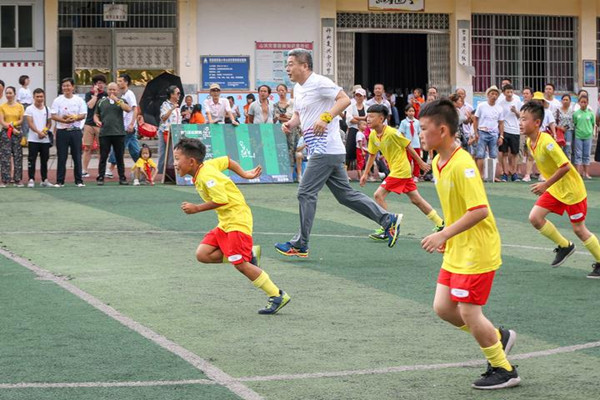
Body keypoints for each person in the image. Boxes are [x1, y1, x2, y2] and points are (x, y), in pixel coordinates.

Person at [420, 99, 520, 390]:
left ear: (442, 130)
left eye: (424, 129)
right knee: (442, 308)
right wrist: (448, 237)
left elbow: (479, 211)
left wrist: (443, 234)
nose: (421, 134)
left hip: (477, 249)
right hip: (457, 248)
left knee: (468, 312)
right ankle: (496, 337)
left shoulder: (463, 164)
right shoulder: (438, 162)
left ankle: (504, 369)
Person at [274, 48, 401, 257]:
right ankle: (388, 219)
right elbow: (299, 114)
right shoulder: (298, 88)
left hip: (325, 149)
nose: (287, 68)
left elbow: (344, 100)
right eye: (287, 64)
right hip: (326, 150)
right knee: (345, 195)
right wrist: (291, 123)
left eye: (290, 64)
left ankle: (300, 244)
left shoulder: (319, 82)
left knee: (305, 192)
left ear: (304, 66)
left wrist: (325, 118)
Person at [174, 137, 291, 314]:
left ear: (191, 161)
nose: (175, 163)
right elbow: (227, 161)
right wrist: (245, 174)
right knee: (203, 254)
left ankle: (277, 295)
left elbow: (222, 199)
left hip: (237, 220)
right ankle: (249, 253)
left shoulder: (207, 176)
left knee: (240, 264)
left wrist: (196, 208)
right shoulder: (205, 166)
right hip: (226, 222)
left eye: (177, 159)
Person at [520, 101, 600, 278]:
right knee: (535, 218)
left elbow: (564, 166)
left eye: (524, 119)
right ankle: (565, 246)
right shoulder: (528, 141)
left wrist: (545, 184)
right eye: (520, 118)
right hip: (556, 189)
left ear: (537, 123)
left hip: (572, 190)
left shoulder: (547, 141)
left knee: (579, 229)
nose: (520, 122)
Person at [360, 104, 441, 241]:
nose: (368, 119)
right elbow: (372, 154)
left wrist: (420, 162)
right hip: (397, 170)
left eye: (371, 116)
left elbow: (407, 145)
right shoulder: (373, 135)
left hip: (400, 170)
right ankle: (440, 223)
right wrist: (365, 173)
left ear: (381, 119)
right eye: (367, 116)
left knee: (378, 195)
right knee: (416, 199)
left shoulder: (392, 132)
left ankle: (388, 227)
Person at [50, 78, 87, 187]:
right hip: (62, 131)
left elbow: (83, 114)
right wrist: (64, 120)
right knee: (62, 156)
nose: (66, 88)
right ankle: (60, 181)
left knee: (77, 156)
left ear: (73, 87)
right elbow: (53, 115)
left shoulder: (79, 100)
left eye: (68, 86)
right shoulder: (58, 100)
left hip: (75, 131)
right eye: (64, 86)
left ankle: (79, 181)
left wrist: (74, 118)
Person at [93, 82, 132, 185]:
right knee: (103, 156)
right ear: (107, 90)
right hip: (105, 133)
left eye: (114, 89)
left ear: (118, 91)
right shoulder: (101, 102)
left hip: (119, 133)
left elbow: (128, 109)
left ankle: (122, 178)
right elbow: (96, 115)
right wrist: (97, 120)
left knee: (119, 157)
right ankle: (101, 177)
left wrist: (117, 100)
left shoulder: (121, 100)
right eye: (110, 89)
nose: (112, 91)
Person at [106, 73, 140, 179]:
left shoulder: (130, 94)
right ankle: (142, 165)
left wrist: (131, 124)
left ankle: (110, 168)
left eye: (120, 81)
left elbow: (135, 109)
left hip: (128, 127)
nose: (118, 83)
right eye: (118, 81)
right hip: (125, 126)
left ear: (126, 82)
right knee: (134, 149)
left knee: (118, 147)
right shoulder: (123, 95)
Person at [25, 88, 56, 188]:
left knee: (44, 160)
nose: (39, 98)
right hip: (33, 139)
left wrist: (44, 131)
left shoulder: (47, 109)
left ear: (44, 97)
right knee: (32, 159)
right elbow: (30, 123)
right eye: (37, 96)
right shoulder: (29, 109)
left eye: (41, 96)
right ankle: (31, 179)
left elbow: (49, 122)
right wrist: (38, 132)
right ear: (34, 97)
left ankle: (44, 179)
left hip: (45, 140)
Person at [471, 85, 504, 179]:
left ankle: (492, 176)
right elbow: (475, 119)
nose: (494, 96)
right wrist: (476, 132)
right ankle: (480, 175)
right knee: (480, 154)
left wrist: (501, 136)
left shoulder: (499, 108)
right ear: (488, 95)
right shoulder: (481, 106)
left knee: (493, 155)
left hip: (494, 133)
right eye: (492, 93)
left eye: (496, 94)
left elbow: (501, 123)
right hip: (482, 131)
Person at [82, 74, 107, 178]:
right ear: (94, 85)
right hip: (89, 123)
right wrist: (95, 95)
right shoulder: (89, 94)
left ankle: (101, 170)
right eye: (98, 83)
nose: (100, 85)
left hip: (101, 124)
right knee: (87, 147)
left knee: (102, 148)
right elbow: (90, 105)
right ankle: (84, 170)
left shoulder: (106, 94)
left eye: (102, 83)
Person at [497, 84, 523, 182]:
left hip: (515, 130)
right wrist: (500, 133)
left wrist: (515, 111)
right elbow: (499, 118)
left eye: (511, 92)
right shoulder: (500, 103)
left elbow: (521, 116)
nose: (509, 94)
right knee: (504, 153)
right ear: (503, 93)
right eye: (507, 92)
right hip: (505, 130)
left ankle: (514, 173)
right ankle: (505, 173)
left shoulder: (517, 102)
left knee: (515, 153)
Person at [0, 86, 25, 187]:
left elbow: (21, 120)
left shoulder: (20, 106)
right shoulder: (2, 106)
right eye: (7, 93)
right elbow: (2, 121)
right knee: (5, 157)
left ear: (14, 94)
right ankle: (5, 179)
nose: (8, 95)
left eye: (10, 93)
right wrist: (10, 127)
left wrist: (13, 126)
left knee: (18, 156)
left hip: (17, 132)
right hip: (6, 133)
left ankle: (17, 179)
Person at [274, 84, 299, 174]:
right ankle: (287, 171)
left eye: (283, 90)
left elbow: (298, 115)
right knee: (285, 148)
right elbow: (278, 117)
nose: (281, 92)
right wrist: (289, 119)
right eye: (279, 90)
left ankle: (296, 172)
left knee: (295, 148)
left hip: (295, 129)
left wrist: (292, 120)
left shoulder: (293, 102)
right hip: (283, 129)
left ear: (286, 91)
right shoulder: (276, 105)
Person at [158, 85, 183, 174]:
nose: (179, 95)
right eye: (178, 93)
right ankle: (160, 172)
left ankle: (171, 171)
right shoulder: (165, 104)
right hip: (165, 131)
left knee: (174, 152)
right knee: (163, 152)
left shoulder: (178, 106)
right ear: (172, 95)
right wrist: (172, 109)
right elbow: (163, 118)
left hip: (175, 131)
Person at [572, 95, 595, 180]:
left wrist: (592, 133)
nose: (583, 104)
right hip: (578, 136)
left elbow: (593, 124)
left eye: (585, 102)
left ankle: (586, 173)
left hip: (588, 136)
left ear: (587, 103)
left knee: (586, 155)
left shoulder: (590, 113)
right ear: (579, 103)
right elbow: (574, 123)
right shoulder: (576, 114)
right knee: (578, 155)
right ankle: (578, 174)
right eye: (582, 102)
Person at [398, 104, 423, 181]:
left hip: (416, 144)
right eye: (409, 111)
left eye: (413, 111)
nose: (411, 113)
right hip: (407, 144)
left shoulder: (417, 122)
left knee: (416, 160)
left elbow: (419, 133)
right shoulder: (403, 122)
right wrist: (403, 142)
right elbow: (401, 133)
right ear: (406, 112)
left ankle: (416, 175)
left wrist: (421, 143)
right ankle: (408, 174)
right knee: (408, 160)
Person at [345, 88, 367, 169]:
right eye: (357, 95)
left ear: (364, 97)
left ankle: (365, 172)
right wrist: (362, 120)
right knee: (349, 151)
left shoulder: (366, 107)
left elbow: (368, 118)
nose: (358, 97)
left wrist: (357, 118)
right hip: (353, 130)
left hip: (364, 131)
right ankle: (345, 172)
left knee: (364, 151)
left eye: (360, 96)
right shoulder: (351, 106)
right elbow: (350, 119)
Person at [521, 87, 535, 182]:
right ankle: (527, 174)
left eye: (527, 93)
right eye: (524, 93)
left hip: (532, 132)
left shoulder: (535, 107)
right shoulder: (521, 105)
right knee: (523, 152)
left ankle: (529, 174)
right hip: (522, 132)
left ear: (531, 95)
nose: (525, 95)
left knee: (532, 153)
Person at [557, 94, 574, 161]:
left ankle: (567, 165)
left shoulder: (572, 111)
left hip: (569, 132)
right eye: (564, 100)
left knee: (567, 149)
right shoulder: (557, 110)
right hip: (559, 132)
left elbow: (574, 122)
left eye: (567, 100)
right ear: (561, 101)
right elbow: (553, 122)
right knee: (559, 149)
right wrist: (560, 128)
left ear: (570, 101)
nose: (565, 101)